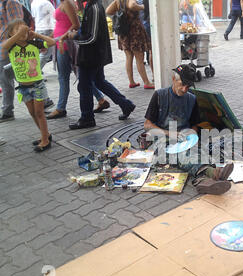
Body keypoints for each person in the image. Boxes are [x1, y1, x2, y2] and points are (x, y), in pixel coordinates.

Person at [144, 64, 234, 195]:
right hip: (163, 140)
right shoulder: (159, 95)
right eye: (182, 84)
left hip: (184, 139)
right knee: (181, 155)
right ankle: (212, 173)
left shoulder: (191, 99)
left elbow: (194, 124)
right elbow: (147, 125)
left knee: (200, 150)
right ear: (173, 79)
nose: (185, 89)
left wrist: (192, 133)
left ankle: (204, 180)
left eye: (188, 86)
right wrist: (171, 134)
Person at [64, 0, 136, 129]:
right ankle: (126, 104)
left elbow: (92, 37)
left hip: (92, 55)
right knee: (99, 82)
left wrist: (75, 36)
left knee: (85, 86)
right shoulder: (91, 6)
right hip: (92, 54)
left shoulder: (95, 8)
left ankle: (87, 118)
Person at [46, 0, 110, 119]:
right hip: (61, 42)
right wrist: (49, 39)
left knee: (65, 77)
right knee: (80, 76)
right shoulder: (62, 3)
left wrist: (61, 38)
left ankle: (61, 107)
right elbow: (60, 25)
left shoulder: (67, 4)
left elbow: (76, 25)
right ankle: (100, 99)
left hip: (66, 44)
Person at [4, 19, 55, 151]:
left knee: (39, 112)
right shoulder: (11, 46)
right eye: (18, 29)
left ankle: (45, 141)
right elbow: (3, 46)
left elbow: (51, 42)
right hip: (23, 87)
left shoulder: (33, 44)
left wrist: (36, 35)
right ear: (11, 34)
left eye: (24, 29)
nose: (22, 31)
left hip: (37, 85)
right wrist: (17, 34)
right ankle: (45, 135)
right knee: (32, 112)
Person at [106, 0, 154, 89]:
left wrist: (120, 11)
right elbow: (132, 5)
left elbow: (108, 11)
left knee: (129, 57)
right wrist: (143, 7)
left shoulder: (118, 1)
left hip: (124, 32)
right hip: (134, 31)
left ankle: (131, 82)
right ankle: (146, 82)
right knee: (139, 57)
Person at [0, 0, 24, 123]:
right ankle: (7, 111)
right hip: (2, 47)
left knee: (18, 77)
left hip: (9, 48)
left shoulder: (10, 2)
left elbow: (18, 27)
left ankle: (43, 101)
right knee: (6, 80)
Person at [30, 0, 56, 109]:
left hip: (40, 30)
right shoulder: (46, 3)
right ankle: (35, 71)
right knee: (44, 56)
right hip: (47, 30)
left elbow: (35, 19)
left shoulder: (33, 3)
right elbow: (53, 20)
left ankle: (35, 71)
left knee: (43, 55)